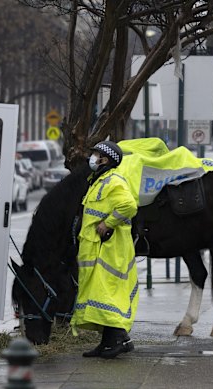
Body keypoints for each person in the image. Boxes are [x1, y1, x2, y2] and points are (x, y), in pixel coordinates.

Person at [70, 140, 139, 359]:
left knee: (106, 296)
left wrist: (108, 223)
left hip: (109, 251)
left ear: (105, 160)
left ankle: (119, 340)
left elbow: (129, 206)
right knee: (99, 296)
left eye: (96, 154)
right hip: (96, 250)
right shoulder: (99, 181)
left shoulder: (114, 181)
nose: (93, 158)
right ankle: (108, 343)